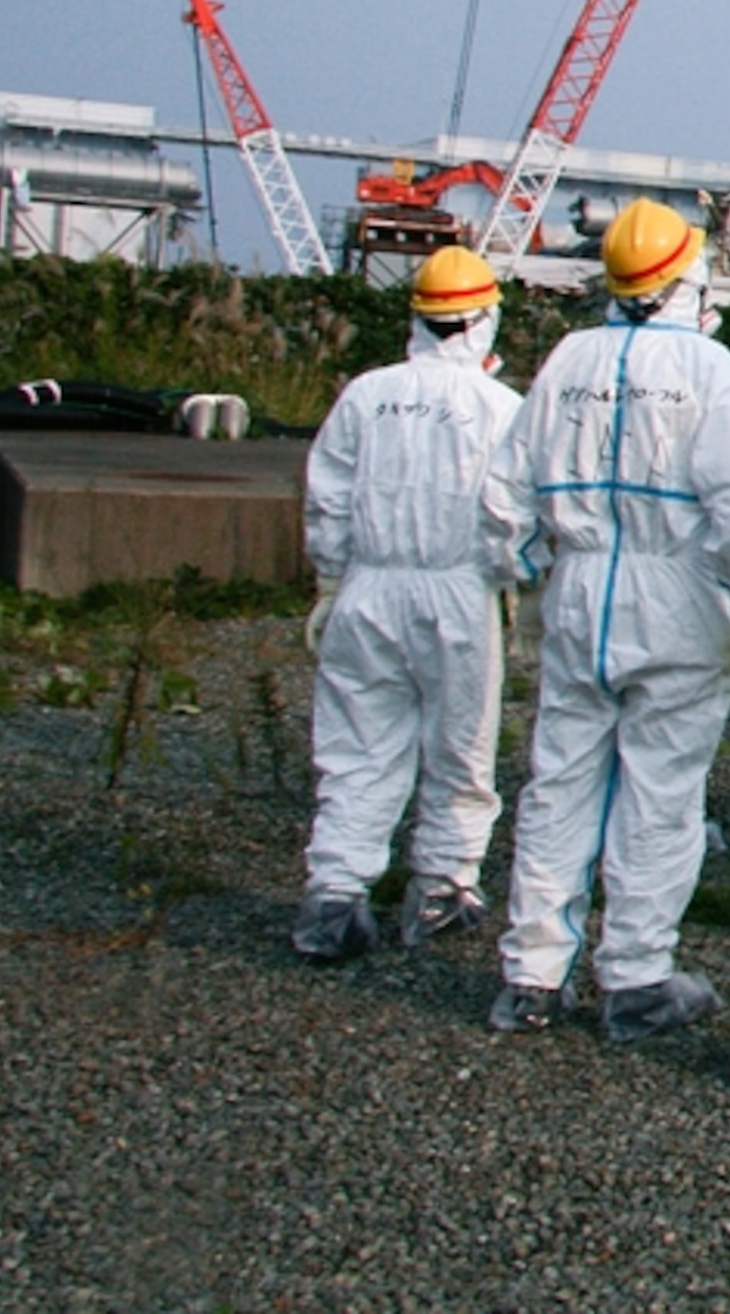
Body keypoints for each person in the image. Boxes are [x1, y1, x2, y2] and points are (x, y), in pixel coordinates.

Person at [480, 198, 730, 1041]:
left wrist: (525, 579)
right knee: (661, 794)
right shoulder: (710, 369)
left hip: (580, 592)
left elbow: (504, 491)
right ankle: (637, 976)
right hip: (676, 596)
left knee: (558, 784)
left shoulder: (568, 360)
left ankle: (531, 977)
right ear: (685, 278)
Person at [290, 246, 523, 962]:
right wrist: (512, 580)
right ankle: (443, 890)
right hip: (459, 593)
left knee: (356, 748)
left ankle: (334, 895)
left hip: (367, 588)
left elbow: (327, 497)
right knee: (459, 747)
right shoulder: (499, 407)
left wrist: (332, 580)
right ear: (483, 320)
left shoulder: (367, 395)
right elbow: (512, 516)